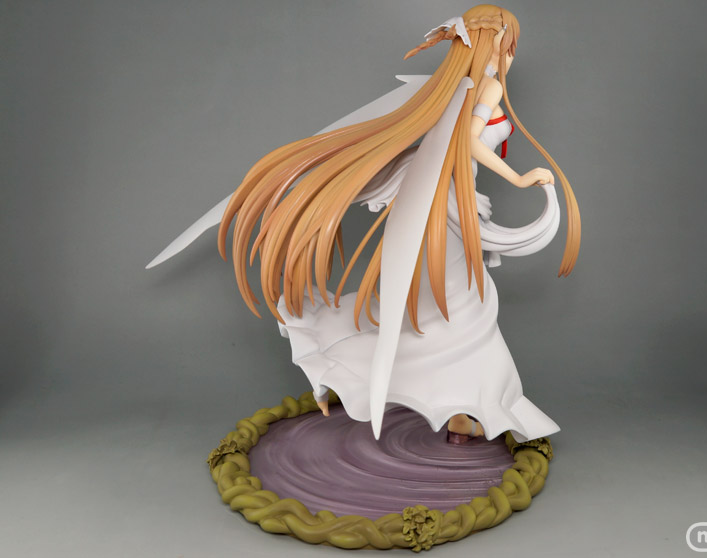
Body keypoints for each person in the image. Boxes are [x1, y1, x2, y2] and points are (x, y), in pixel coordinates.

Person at [160, 5, 581, 443]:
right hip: (446, 209)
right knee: (460, 309)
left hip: (443, 206)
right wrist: (520, 177)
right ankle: (451, 402)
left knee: (443, 310)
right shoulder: (486, 87)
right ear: (496, 45)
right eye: (509, 45)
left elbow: (446, 144)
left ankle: (440, 404)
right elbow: (469, 142)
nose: (512, 55)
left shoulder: (454, 87)